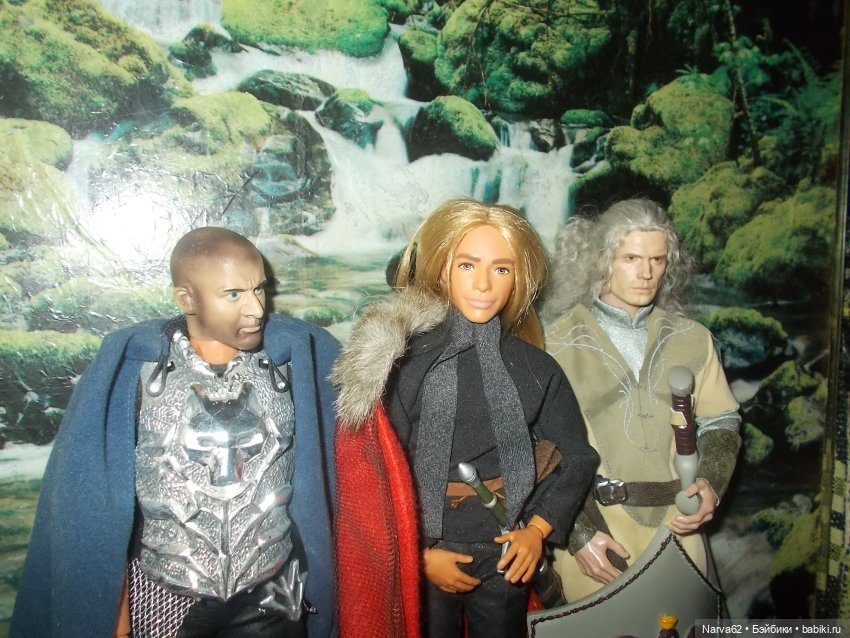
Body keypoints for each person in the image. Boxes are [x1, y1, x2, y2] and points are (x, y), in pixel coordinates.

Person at [11, 227, 340, 638]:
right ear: (187, 299)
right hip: (166, 589)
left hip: (271, 585)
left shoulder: (293, 365)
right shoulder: (136, 375)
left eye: (259, 289)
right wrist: (113, 606)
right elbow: (96, 500)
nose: (256, 308)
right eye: (233, 294)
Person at [332, 199, 598, 638]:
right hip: (430, 547)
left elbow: (577, 456)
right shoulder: (407, 366)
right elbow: (382, 473)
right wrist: (418, 554)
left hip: (506, 548)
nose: (484, 284)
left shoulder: (536, 368)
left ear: (518, 278)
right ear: (443, 270)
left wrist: (537, 530)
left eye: (501, 269)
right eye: (468, 265)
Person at [542, 199, 741, 629]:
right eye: (631, 258)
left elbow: (721, 421)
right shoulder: (553, 343)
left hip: (678, 528)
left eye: (657, 260)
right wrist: (577, 533)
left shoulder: (693, 338)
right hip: (594, 532)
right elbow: (539, 448)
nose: (646, 272)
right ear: (601, 260)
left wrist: (711, 483)